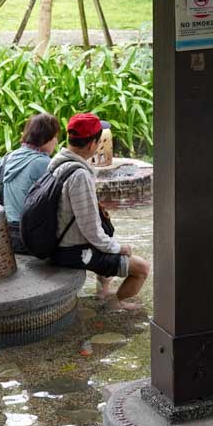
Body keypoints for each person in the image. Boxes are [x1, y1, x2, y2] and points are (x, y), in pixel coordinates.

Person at [49, 113, 150, 310]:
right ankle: (114, 303)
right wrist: (119, 248)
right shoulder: (79, 176)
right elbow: (91, 230)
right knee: (141, 268)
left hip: (59, 243)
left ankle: (103, 291)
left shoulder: (58, 163)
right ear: (91, 145)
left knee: (107, 242)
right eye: (99, 141)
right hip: (73, 252)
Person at [0, 112, 60, 254]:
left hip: (6, 235)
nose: (56, 141)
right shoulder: (43, 163)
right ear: (46, 138)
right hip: (30, 240)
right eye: (55, 136)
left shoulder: (8, 158)